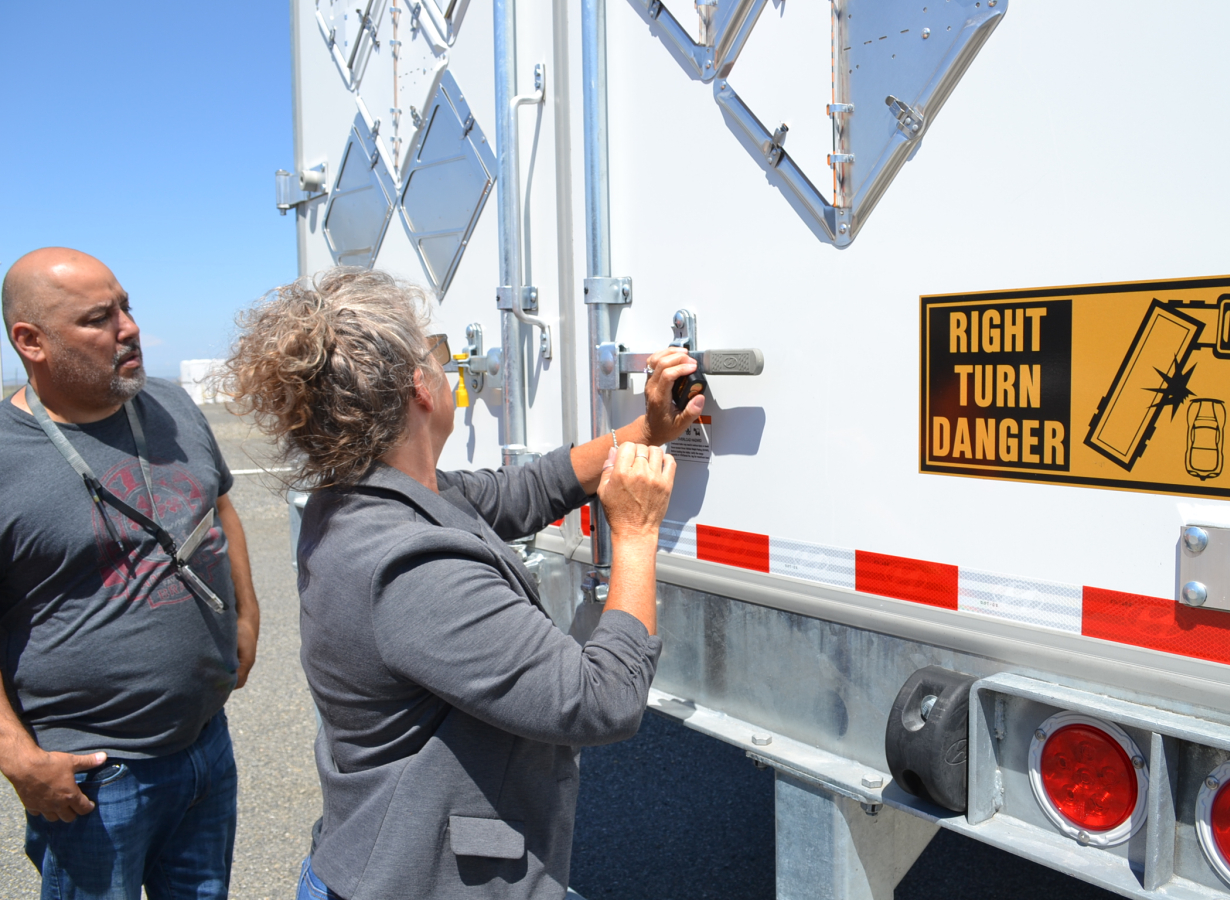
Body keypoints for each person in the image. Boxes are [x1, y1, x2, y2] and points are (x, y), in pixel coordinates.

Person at [221, 268, 705, 900]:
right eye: (437, 353)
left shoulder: (369, 499)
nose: (448, 367)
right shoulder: (406, 564)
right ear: (417, 387)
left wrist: (645, 432)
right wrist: (637, 532)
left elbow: (526, 491)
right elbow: (602, 700)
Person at [0, 248, 260, 899]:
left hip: (205, 746)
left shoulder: (170, 406)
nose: (129, 328)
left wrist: (248, 622)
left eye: (127, 306)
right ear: (29, 341)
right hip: (92, 779)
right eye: (98, 318)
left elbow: (218, 504)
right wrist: (19, 758)